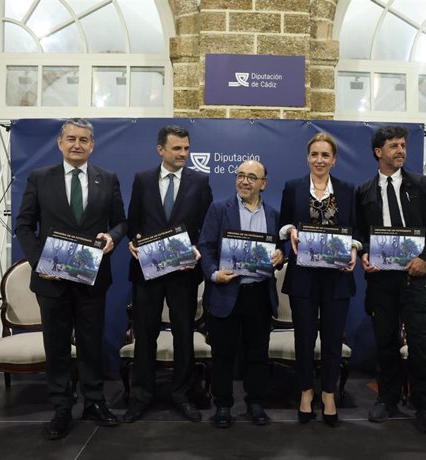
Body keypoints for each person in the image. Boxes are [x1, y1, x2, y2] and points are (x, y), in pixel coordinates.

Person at [15, 118, 127, 440]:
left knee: (92, 343)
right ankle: (61, 407)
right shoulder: (39, 178)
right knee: (57, 345)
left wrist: (113, 237)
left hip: (93, 278)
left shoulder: (107, 179)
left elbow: (121, 222)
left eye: (84, 140)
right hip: (52, 279)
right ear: (60, 143)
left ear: (93, 145)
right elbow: (24, 225)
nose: (77, 144)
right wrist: (40, 263)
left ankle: (94, 401)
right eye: (71, 139)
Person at [356, 125, 426, 434]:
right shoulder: (363, 191)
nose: (400, 150)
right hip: (381, 280)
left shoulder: (423, 185)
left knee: (420, 343)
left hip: (415, 277)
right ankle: (387, 398)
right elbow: (358, 235)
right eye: (393, 145)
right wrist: (364, 253)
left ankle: (425, 406)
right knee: (385, 341)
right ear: (378, 152)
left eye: (403, 145)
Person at [123, 125, 213, 423]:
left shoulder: (200, 181)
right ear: (160, 149)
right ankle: (141, 396)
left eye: (186, 148)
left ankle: (182, 394)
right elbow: (132, 220)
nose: (183, 154)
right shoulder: (142, 180)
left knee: (184, 335)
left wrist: (199, 248)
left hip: (184, 272)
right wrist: (133, 243)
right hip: (147, 272)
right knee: (145, 335)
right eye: (177, 148)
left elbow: (208, 224)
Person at [279, 133, 358, 427]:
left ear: (334, 159)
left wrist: (354, 247)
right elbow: (282, 223)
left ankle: (328, 394)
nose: (319, 160)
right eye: (314, 154)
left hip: (337, 277)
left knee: (333, 340)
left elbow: (358, 230)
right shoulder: (293, 188)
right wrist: (290, 231)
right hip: (303, 276)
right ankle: (305, 392)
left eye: (325, 155)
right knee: (304, 339)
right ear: (307, 157)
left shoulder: (348, 191)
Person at [198, 160, 283, 428]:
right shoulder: (218, 209)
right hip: (226, 292)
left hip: (258, 294)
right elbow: (206, 247)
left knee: (257, 353)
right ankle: (222, 406)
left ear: (263, 184)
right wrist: (213, 274)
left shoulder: (273, 214)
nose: (245, 181)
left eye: (252, 178)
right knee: (223, 354)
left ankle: (255, 403)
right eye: (241, 176)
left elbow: (281, 249)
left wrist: (281, 255)